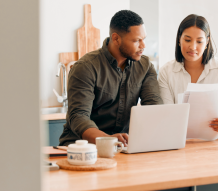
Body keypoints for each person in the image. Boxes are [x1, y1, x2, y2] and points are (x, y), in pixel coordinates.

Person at [59, 10, 163, 146]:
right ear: (116, 39)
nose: (143, 46)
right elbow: (79, 117)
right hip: (83, 147)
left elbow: (154, 108)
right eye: (137, 40)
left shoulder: (145, 66)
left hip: (122, 147)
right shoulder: (85, 67)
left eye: (144, 39)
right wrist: (109, 141)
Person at [158, 14, 218, 136]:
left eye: (199, 41)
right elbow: (167, 116)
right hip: (177, 142)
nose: (193, 47)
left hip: (214, 144)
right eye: (187, 40)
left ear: (207, 42)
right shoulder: (166, 72)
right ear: (179, 39)